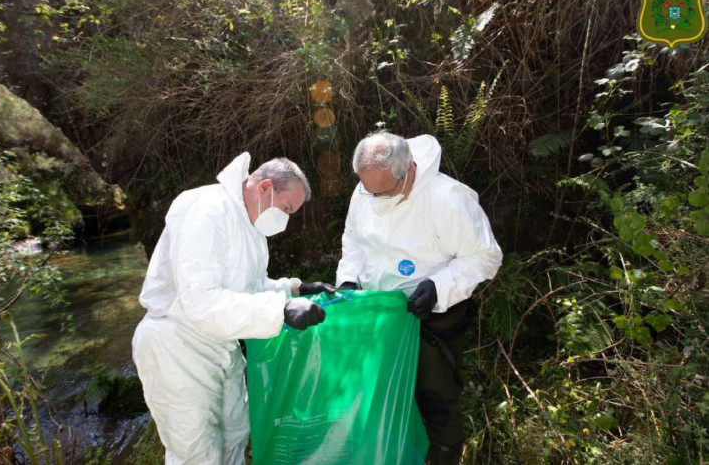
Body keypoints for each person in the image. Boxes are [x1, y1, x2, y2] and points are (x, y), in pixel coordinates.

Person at [132, 152, 335, 465]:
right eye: (286, 208)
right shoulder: (206, 209)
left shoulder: (249, 225)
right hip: (177, 346)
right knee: (196, 453)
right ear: (265, 187)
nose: (286, 219)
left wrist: (296, 288)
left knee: (235, 437)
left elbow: (249, 287)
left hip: (219, 345)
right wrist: (280, 310)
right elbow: (199, 300)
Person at [336, 132, 502, 464]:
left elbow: (485, 257)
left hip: (431, 318)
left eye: (382, 192)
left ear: (408, 170)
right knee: (378, 393)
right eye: (368, 190)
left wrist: (439, 286)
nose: (373, 197)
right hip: (377, 316)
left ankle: (443, 454)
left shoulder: (448, 199)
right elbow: (353, 239)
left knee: (435, 397)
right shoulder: (366, 189)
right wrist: (349, 280)